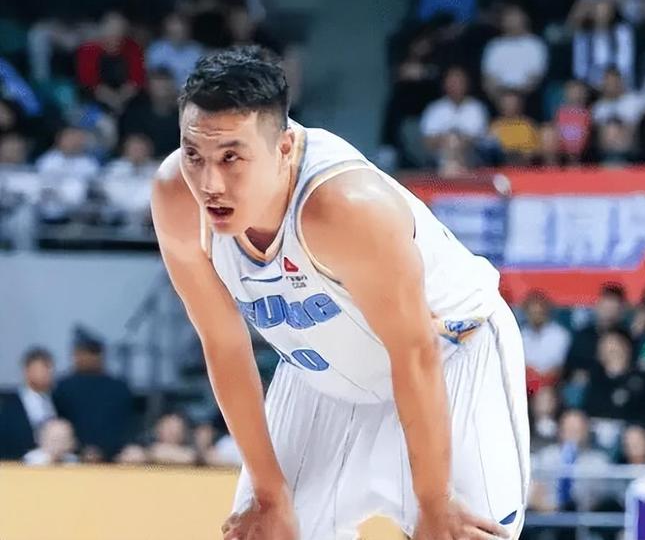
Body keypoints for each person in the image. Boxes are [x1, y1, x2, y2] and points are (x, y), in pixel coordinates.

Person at [151, 46, 530, 540]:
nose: (209, 183)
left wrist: (434, 501)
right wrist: (269, 492)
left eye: (231, 158)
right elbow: (223, 346)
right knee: (265, 530)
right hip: (323, 377)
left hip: (449, 356)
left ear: (284, 147)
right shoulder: (176, 199)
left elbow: (414, 352)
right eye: (194, 155)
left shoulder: (344, 206)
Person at [53, 327, 133, 461]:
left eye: (92, 353)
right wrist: (81, 450)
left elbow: (124, 425)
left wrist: (105, 450)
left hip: (115, 456)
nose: (87, 358)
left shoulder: (118, 388)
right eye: (81, 353)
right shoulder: (63, 387)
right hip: (71, 456)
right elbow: (59, 423)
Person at [0, 347, 57, 460]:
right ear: (27, 370)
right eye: (43, 368)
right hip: (14, 462)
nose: (48, 374)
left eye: (50, 369)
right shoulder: (8, 402)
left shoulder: (56, 402)